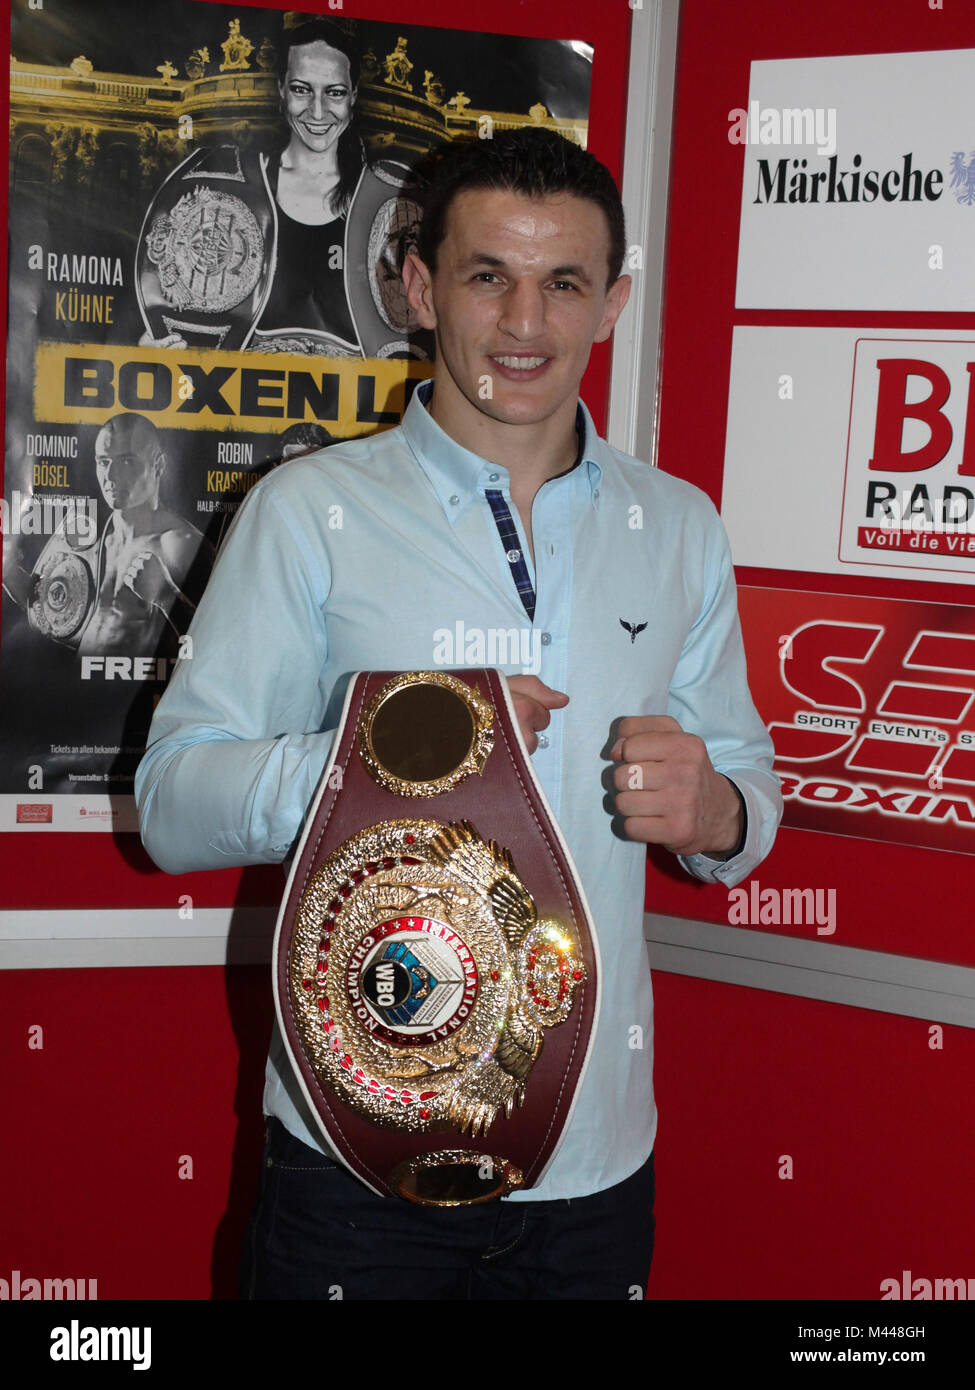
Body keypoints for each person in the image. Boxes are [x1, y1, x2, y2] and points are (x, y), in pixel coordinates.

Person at [136, 127, 782, 1300]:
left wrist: (717, 810)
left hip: (593, 1162)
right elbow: (174, 805)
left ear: (613, 302)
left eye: (565, 283)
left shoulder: (680, 523)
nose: (526, 322)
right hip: (355, 1162)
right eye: (489, 275)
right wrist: (365, 767)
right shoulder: (308, 510)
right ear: (420, 286)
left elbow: (749, 801)